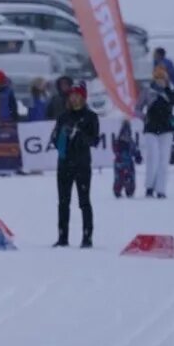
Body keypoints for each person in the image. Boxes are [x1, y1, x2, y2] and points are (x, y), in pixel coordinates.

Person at [48, 84, 100, 246]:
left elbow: (94, 140)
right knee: (63, 202)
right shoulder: (63, 117)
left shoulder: (91, 117)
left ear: (83, 98)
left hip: (82, 164)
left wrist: (79, 135)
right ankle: (62, 237)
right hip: (64, 164)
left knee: (84, 201)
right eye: (72, 95)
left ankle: (87, 237)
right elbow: (55, 138)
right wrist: (62, 137)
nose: (74, 98)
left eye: (77, 95)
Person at [141, 64, 174, 198]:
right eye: (157, 77)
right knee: (153, 158)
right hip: (151, 128)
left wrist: (167, 88)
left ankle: (161, 189)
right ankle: (149, 187)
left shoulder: (170, 90)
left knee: (164, 160)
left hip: (166, 129)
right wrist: (143, 117)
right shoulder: (147, 90)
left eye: (162, 78)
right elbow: (137, 108)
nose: (160, 80)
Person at [112, 121, 142, 199]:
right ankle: (118, 191)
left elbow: (136, 151)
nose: (125, 135)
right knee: (119, 178)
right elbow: (115, 150)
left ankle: (129, 191)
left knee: (130, 178)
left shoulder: (131, 142)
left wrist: (138, 157)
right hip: (120, 162)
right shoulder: (118, 142)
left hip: (129, 163)